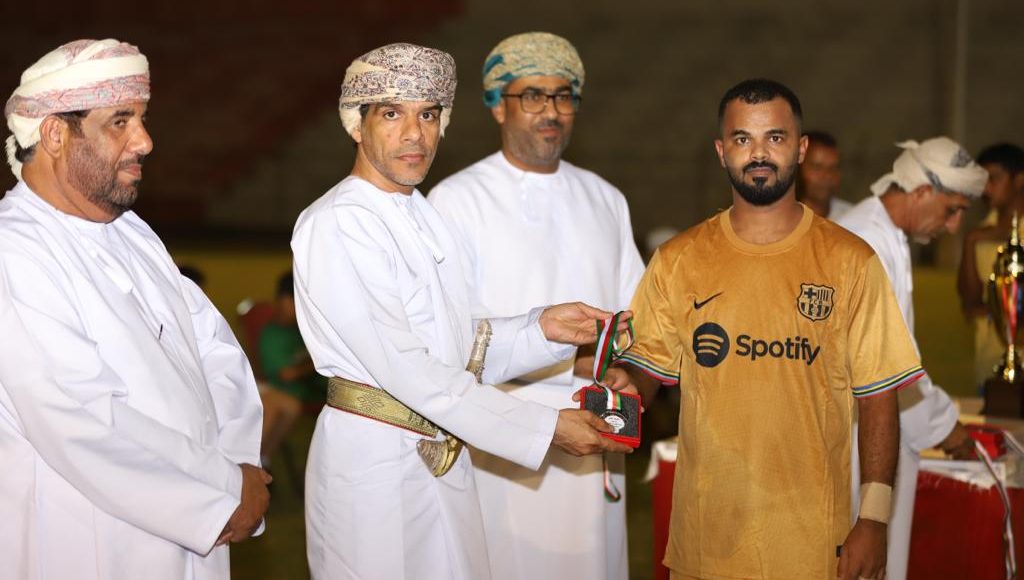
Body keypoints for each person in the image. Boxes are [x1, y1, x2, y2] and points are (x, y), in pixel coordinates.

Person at [291, 42, 633, 580]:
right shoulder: (339, 221)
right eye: (392, 114)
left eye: (428, 115)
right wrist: (543, 427)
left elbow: (454, 344)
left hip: (441, 453)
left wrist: (541, 330)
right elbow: (408, 368)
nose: (414, 134)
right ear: (356, 124)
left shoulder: (418, 213)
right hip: (375, 464)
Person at [606, 78, 923, 580]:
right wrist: (623, 393)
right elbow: (646, 369)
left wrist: (874, 519)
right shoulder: (679, 260)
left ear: (800, 149)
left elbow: (878, 395)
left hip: (812, 548)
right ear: (721, 151)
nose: (758, 153)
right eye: (742, 139)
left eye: (774, 137)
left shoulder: (851, 261)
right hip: (708, 544)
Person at [0, 39, 268, 580]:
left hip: (201, 518)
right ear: (54, 134)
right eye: (120, 122)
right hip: (95, 537)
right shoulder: (15, 252)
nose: (144, 141)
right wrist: (218, 493)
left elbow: (215, 351)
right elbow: (80, 419)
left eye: (141, 120)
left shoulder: (132, 233)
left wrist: (238, 465)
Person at [428, 31, 645, 580]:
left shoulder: (606, 198)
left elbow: (637, 317)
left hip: (594, 434)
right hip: (502, 445)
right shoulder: (456, 200)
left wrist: (627, 369)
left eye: (562, 96)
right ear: (497, 105)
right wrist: (568, 362)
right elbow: (449, 337)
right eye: (532, 95)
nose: (550, 111)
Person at [836, 136, 985, 580]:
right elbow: (893, 372)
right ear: (921, 192)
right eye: (952, 210)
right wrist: (946, 427)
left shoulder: (887, 234)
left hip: (869, 430)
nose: (954, 227)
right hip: (854, 438)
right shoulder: (867, 240)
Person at [957, 143, 1024, 387]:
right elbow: (970, 303)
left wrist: (996, 307)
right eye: (982, 181)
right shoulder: (980, 233)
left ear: (1019, 180)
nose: (986, 188)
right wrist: (971, 241)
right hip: (989, 367)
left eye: (994, 179)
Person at [258, 271, 325, 467]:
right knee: (277, 407)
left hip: (321, 392)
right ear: (283, 300)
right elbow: (287, 374)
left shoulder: (307, 329)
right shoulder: (272, 334)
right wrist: (318, 361)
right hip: (288, 392)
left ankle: (261, 461)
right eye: (298, 302)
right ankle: (259, 461)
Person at [796, 130, 852, 219]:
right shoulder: (778, 217)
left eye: (833, 168)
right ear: (796, 168)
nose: (827, 176)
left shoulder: (853, 218)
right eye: (817, 167)